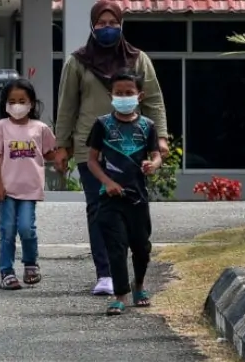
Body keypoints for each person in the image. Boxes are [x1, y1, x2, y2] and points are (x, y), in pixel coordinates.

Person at [54, 0, 169, 296]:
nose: (108, 29)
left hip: (131, 147)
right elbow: (67, 105)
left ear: (121, 24)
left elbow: (153, 99)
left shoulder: (137, 59)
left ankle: (133, 272)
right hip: (90, 147)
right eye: (102, 24)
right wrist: (61, 145)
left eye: (113, 23)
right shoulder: (77, 61)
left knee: (132, 210)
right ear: (93, 27)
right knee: (99, 209)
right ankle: (104, 272)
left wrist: (161, 138)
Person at [85, 68, 163, 316]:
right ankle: (119, 295)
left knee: (141, 247)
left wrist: (153, 164)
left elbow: (156, 155)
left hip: (137, 197)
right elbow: (92, 160)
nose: (124, 97)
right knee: (116, 246)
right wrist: (107, 182)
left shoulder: (147, 126)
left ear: (139, 96)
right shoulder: (102, 125)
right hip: (110, 199)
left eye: (129, 92)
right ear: (111, 95)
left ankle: (139, 285)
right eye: (119, 93)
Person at [0, 78, 56, 290]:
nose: (17, 105)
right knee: (7, 230)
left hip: (30, 190)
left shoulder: (40, 128)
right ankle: (6, 271)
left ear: (31, 102)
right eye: (12, 101)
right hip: (8, 190)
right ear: (5, 103)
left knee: (26, 228)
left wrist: (61, 157)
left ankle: (30, 264)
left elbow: (49, 152)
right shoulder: (0, 128)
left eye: (21, 100)